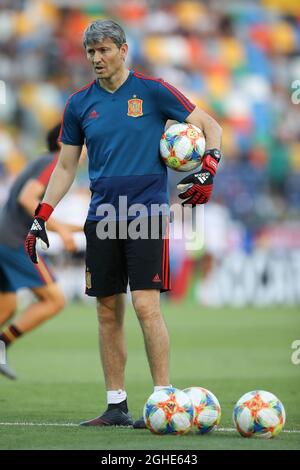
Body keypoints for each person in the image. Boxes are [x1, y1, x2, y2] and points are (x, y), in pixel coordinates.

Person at [25, 19, 222, 427]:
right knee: (106, 310)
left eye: (104, 50)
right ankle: (117, 405)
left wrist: (208, 168)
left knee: (146, 304)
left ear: (123, 49)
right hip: (102, 215)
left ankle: (163, 400)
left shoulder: (153, 90)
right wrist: (42, 215)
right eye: (90, 52)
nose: (96, 58)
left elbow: (211, 126)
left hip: (146, 213)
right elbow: (65, 166)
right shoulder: (80, 103)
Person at [0, 124, 78, 380]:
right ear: (62, 140)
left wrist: (76, 229)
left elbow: (36, 214)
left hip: (6, 237)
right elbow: (27, 200)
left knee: (8, 306)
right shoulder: (54, 161)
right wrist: (64, 232)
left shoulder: (43, 162)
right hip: (14, 241)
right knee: (55, 299)